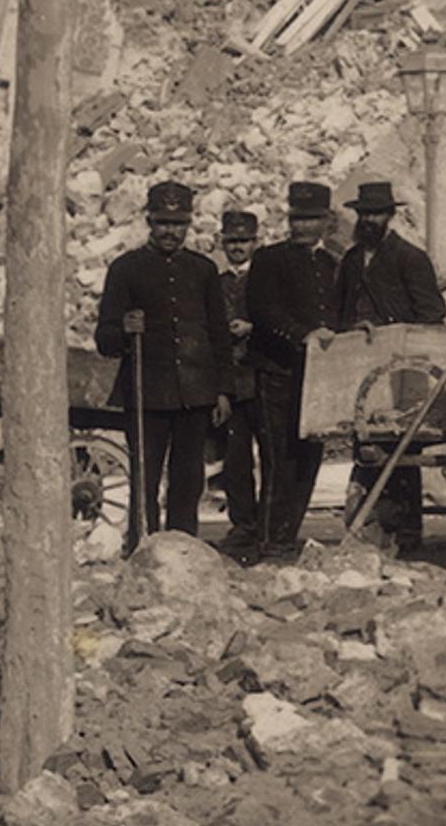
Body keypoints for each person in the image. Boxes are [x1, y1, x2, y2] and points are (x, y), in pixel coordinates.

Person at [96, 182, 232, 545]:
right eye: (162, 222)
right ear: (148, 222)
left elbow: (218, 333)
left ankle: (182, 546)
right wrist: (123, 329)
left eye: (178, 223)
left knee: (188, 477)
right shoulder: (125, 269)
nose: (170, 231)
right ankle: (142, 544)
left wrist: (222, 390)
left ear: (188, 223)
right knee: (146, 474)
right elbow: (104, 339)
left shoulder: (203, 270)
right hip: (147, 393)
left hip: (195, 392)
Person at [331, 181, 446, 551]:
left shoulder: (410, 258)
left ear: (390, 215)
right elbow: (340, 313)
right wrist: (353, 328)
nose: (368, 220)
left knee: (402, 450)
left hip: (402, 371)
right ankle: (367, 529)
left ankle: (408, 533)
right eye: (363, 213)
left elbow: (433, 314)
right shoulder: (350, 260)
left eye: (376, 213)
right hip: (362, 372)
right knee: (364, 444)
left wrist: (391, 333)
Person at [240, 182, 341, 559]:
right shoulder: (269, 259)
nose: (302, 226)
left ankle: (287, 537)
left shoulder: (333, 264)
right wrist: (303, 336)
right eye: (297, 218)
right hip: (276, 373)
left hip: (317, 382)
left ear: (326, 221)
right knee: (278, 459)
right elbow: (263, 310)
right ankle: (268, 542)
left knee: (307, 461)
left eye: (311, 218)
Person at [214, 209, 267, 539]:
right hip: (231, 381)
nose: (238, 247)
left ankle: (269, 523)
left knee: (272, 456)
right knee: (236, 458)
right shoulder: (216, 283)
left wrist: (252, 328)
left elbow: (277, 319)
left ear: (255, 243)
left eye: (244, 241)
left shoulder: (264, 280)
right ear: (222, 243)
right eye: (232, 241)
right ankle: (243, 522)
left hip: (262, 377)